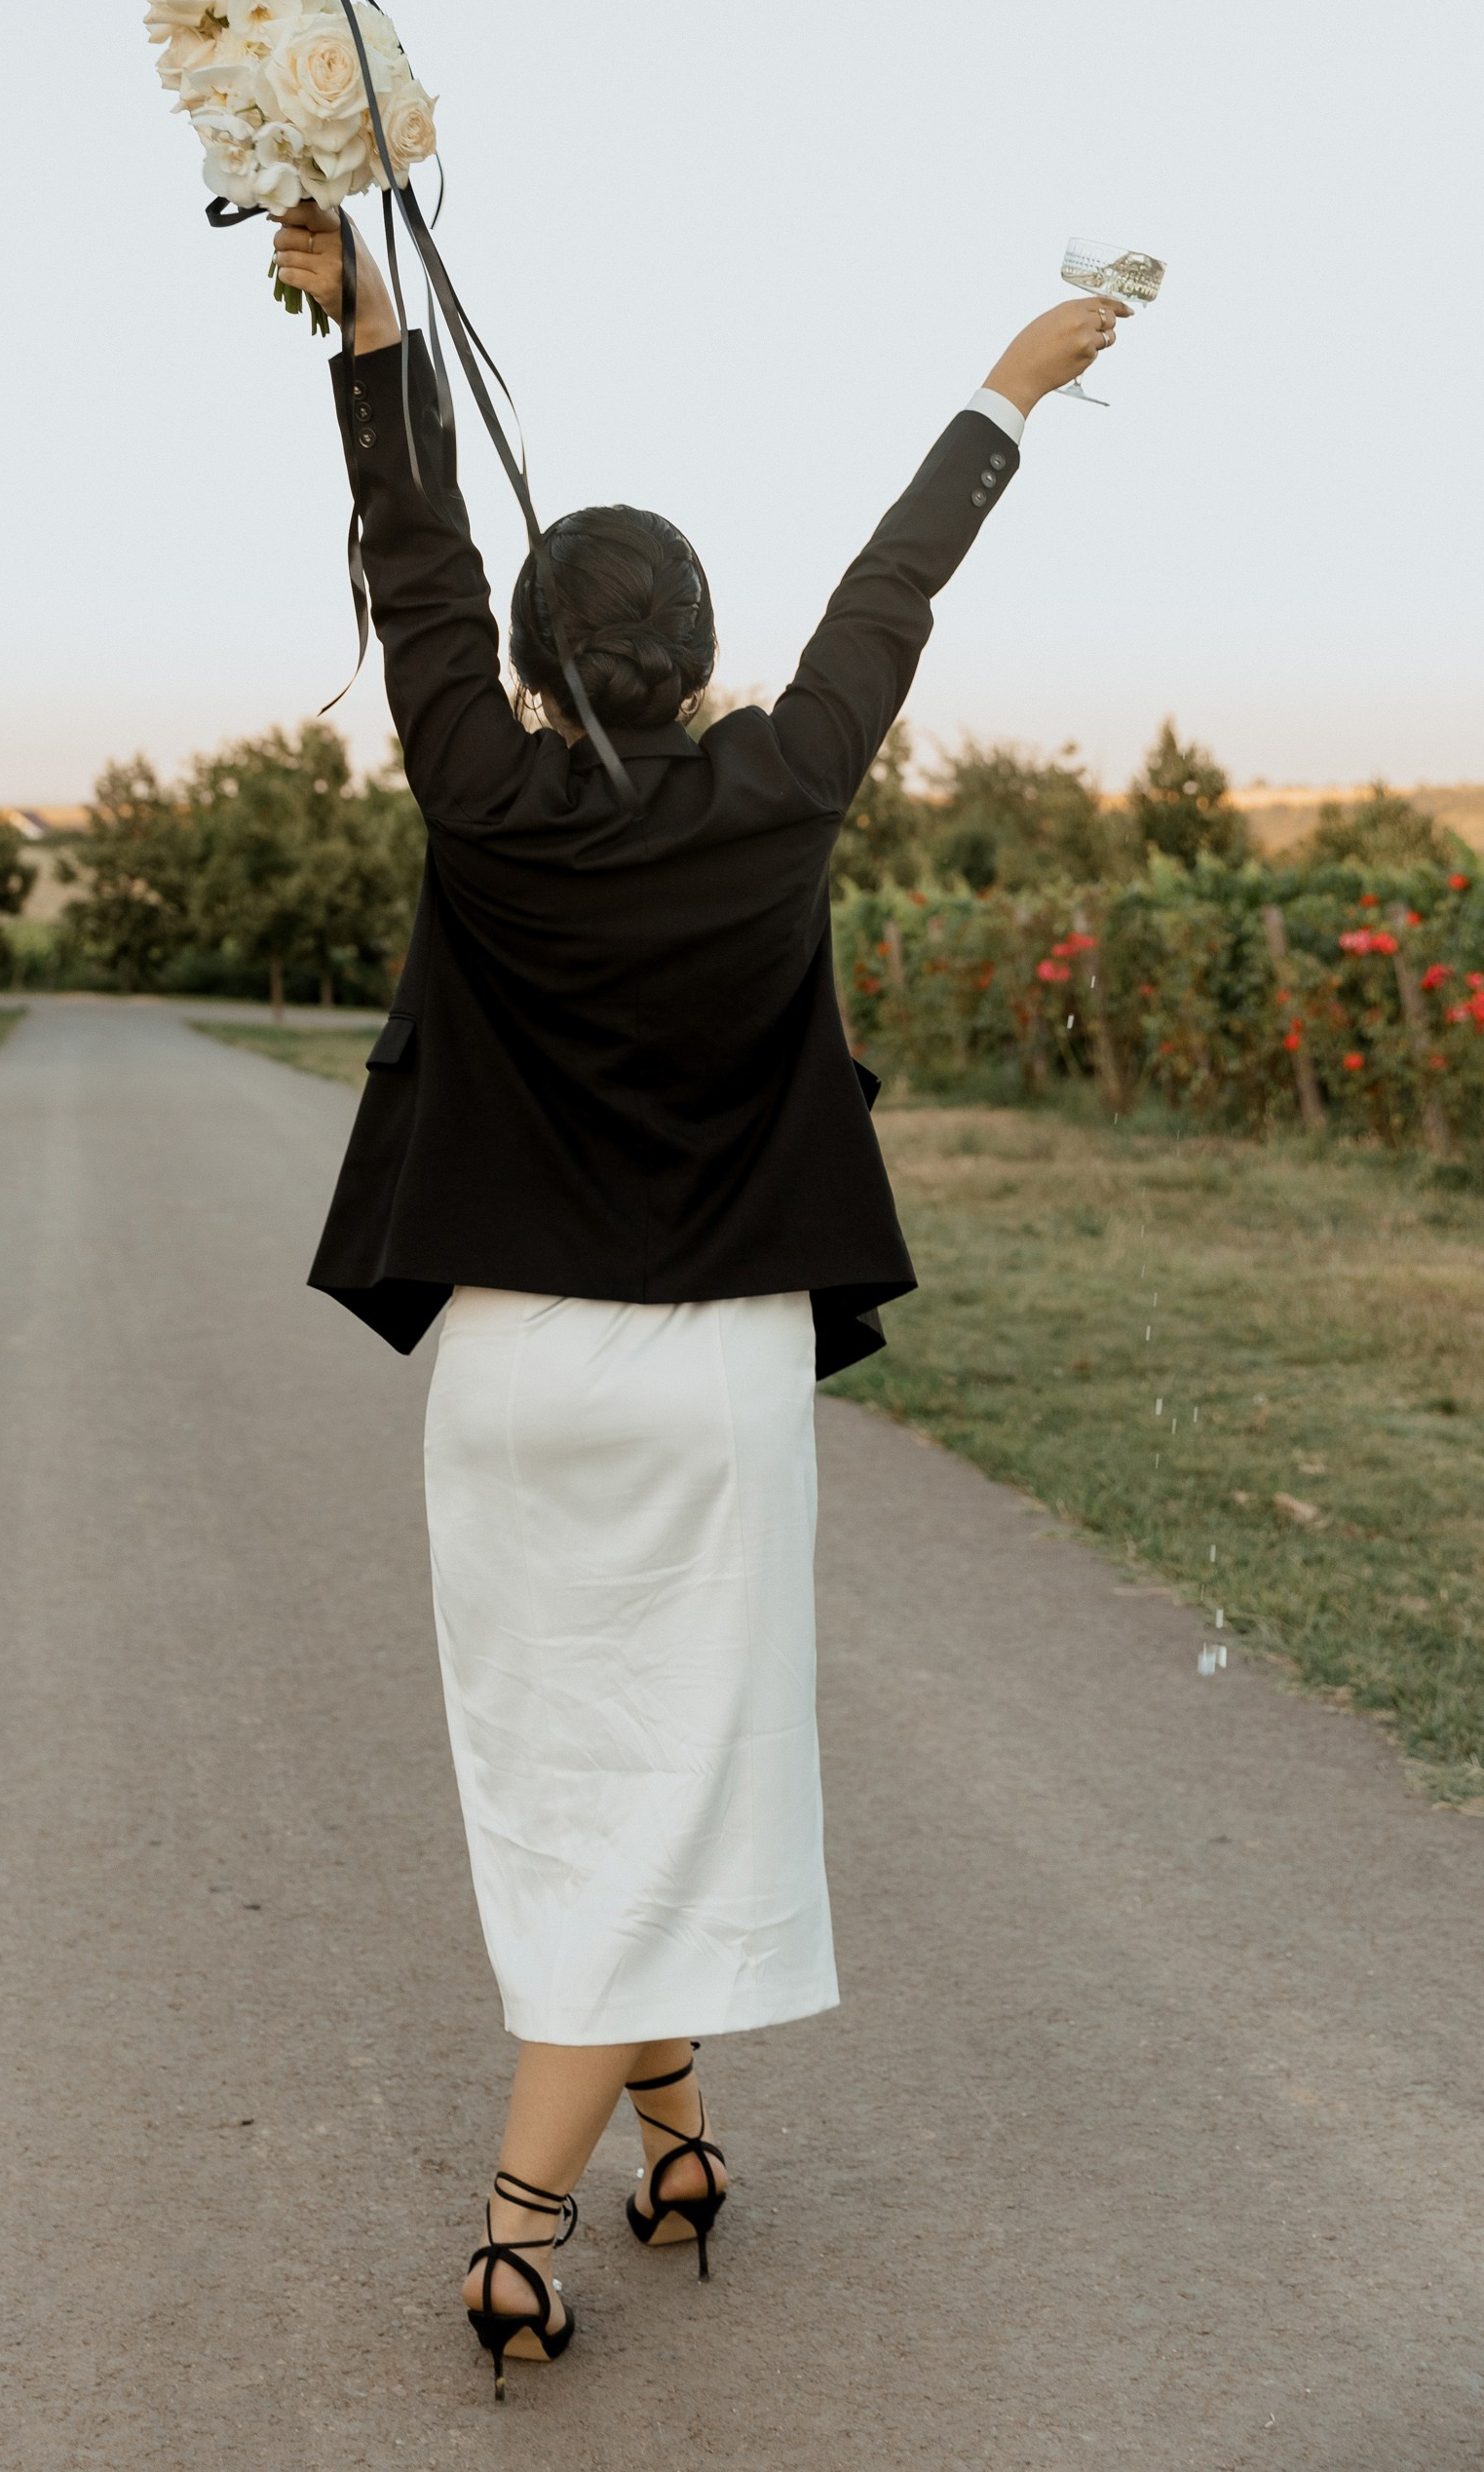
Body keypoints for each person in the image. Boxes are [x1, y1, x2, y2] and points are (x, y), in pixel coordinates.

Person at [265, 201, 1125, 2396]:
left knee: (574, 1767)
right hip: (717, 1376)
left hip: (514, 1375)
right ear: (703, 657)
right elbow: (890, 596)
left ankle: (681, 2139)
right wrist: (1005, 393)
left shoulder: (476, 789)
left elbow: (415, 563)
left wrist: (370, 325)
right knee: (669, 1769)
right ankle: (518, 2224)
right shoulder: (780, 791)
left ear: (541, 672)